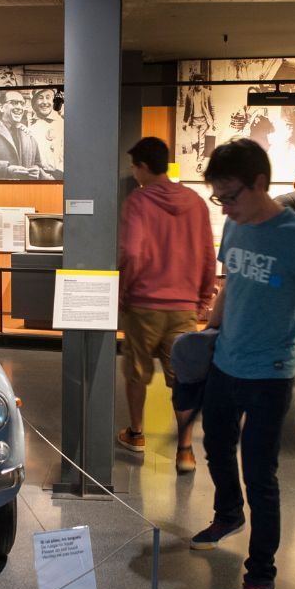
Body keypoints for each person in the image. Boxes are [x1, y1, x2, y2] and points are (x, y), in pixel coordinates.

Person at [191, 138, 295, 589]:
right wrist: (208, 327)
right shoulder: (234, 226)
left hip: (271, 375)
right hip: (226, 363)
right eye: (218, 198)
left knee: (261, 475)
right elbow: (231, 283)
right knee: (214, 446)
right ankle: (228, 515)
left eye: (230, 195)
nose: (225, 207)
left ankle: (260, 575)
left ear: (259, 184)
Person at [117, 137, 216, 473]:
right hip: (184, 306)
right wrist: (202, 298)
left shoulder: (138, 201)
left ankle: (136, 433)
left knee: (136, 373)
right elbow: (207, 254)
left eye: (134, 166)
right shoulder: (195, 201)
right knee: (183, 378)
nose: (134, 173)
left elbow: (131, 252)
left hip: (144, 304)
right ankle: (185, 450)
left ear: (143, 166)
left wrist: (124, 291)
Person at [0, 90, 52, 180]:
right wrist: (6, 170)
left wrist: (37, 171)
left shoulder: (28, 134)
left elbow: (38, 164)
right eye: (14, 103)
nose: (19, 107)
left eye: (22, 103)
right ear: (1, 107)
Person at [182, 74, 215, 173]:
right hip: (194, 121)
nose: (198, 85)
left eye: (200, 83)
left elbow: (212, 108)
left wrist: (213, 122)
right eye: (196, 83)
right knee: (194, 139)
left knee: (201, 140)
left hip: (204, 120)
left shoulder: (207, 93)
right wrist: (185, 122)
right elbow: (187, 109)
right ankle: (197, 155)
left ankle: (199, 161)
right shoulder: (189, 94)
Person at [28, 87, 64, 177]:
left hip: (61, 175)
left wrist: (58, 175)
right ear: (34, 103)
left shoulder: (63, 123)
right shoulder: (30, 129)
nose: (44, 102)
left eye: (48, 97)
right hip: (39, 176)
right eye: (40, 98)